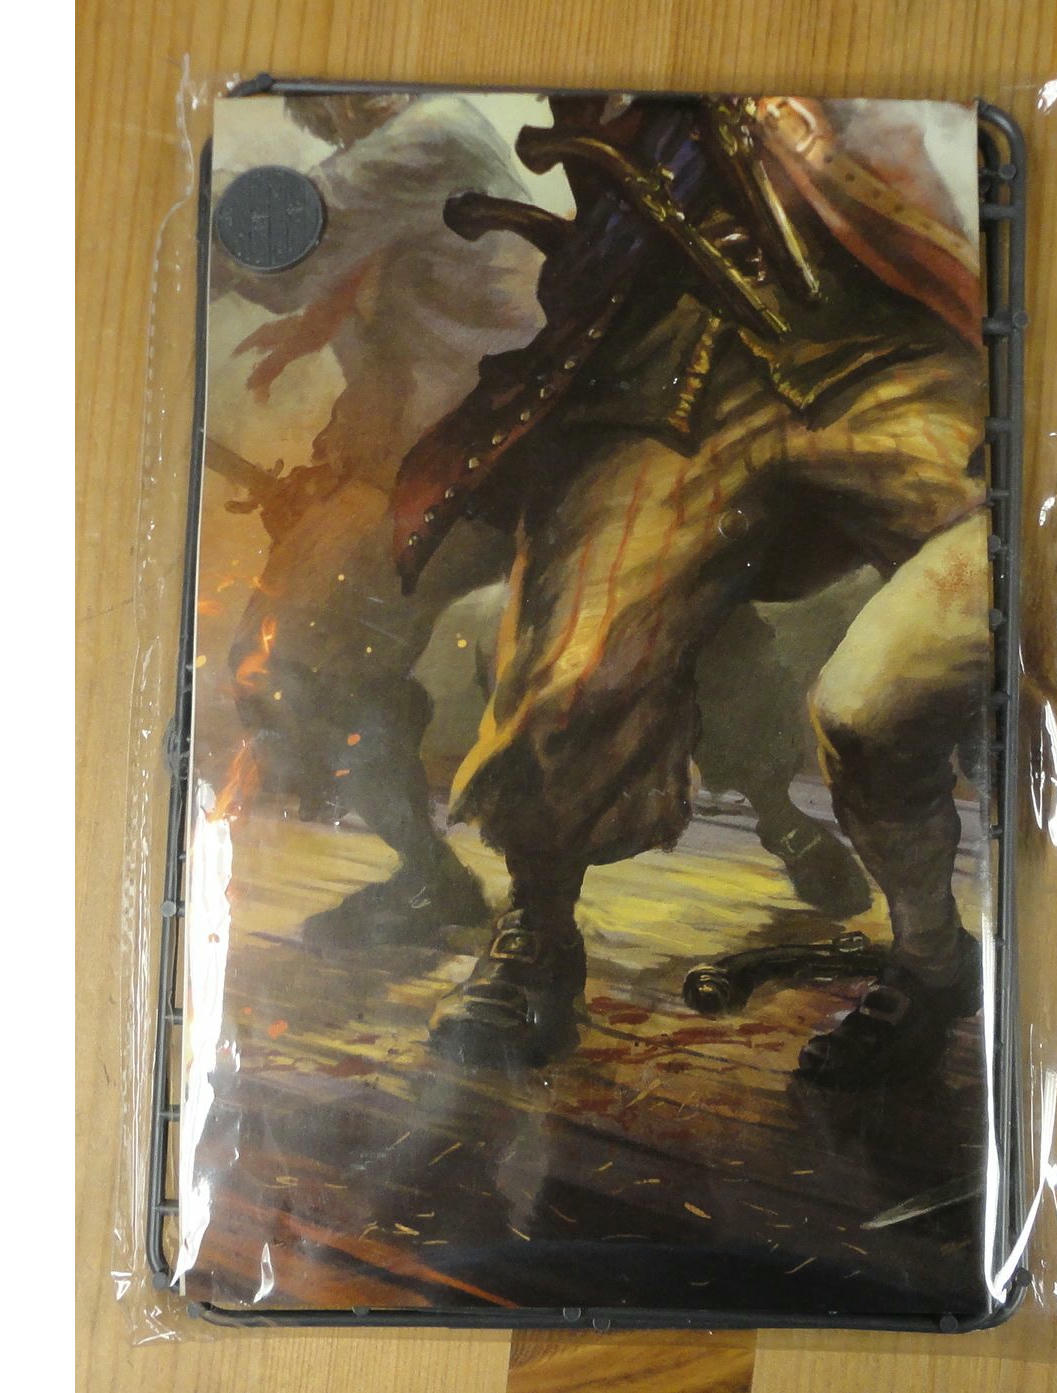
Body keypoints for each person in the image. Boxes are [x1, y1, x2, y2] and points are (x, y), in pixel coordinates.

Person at [393, 95, 992, 1085]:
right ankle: (536, 930)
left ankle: (930, 956)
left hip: (877, 339)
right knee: (566, 674)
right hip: (669, 368)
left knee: (921, 662)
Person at [213, 92, 868, 953]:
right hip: (432, 462)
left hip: (518, 444)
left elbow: (282, 258)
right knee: (294, 656)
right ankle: (430, 873)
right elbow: (338, 273)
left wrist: (191, 200)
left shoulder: (429, 134)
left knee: (683, 630)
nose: (343, 110)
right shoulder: (387, 159)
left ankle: (777, 817)